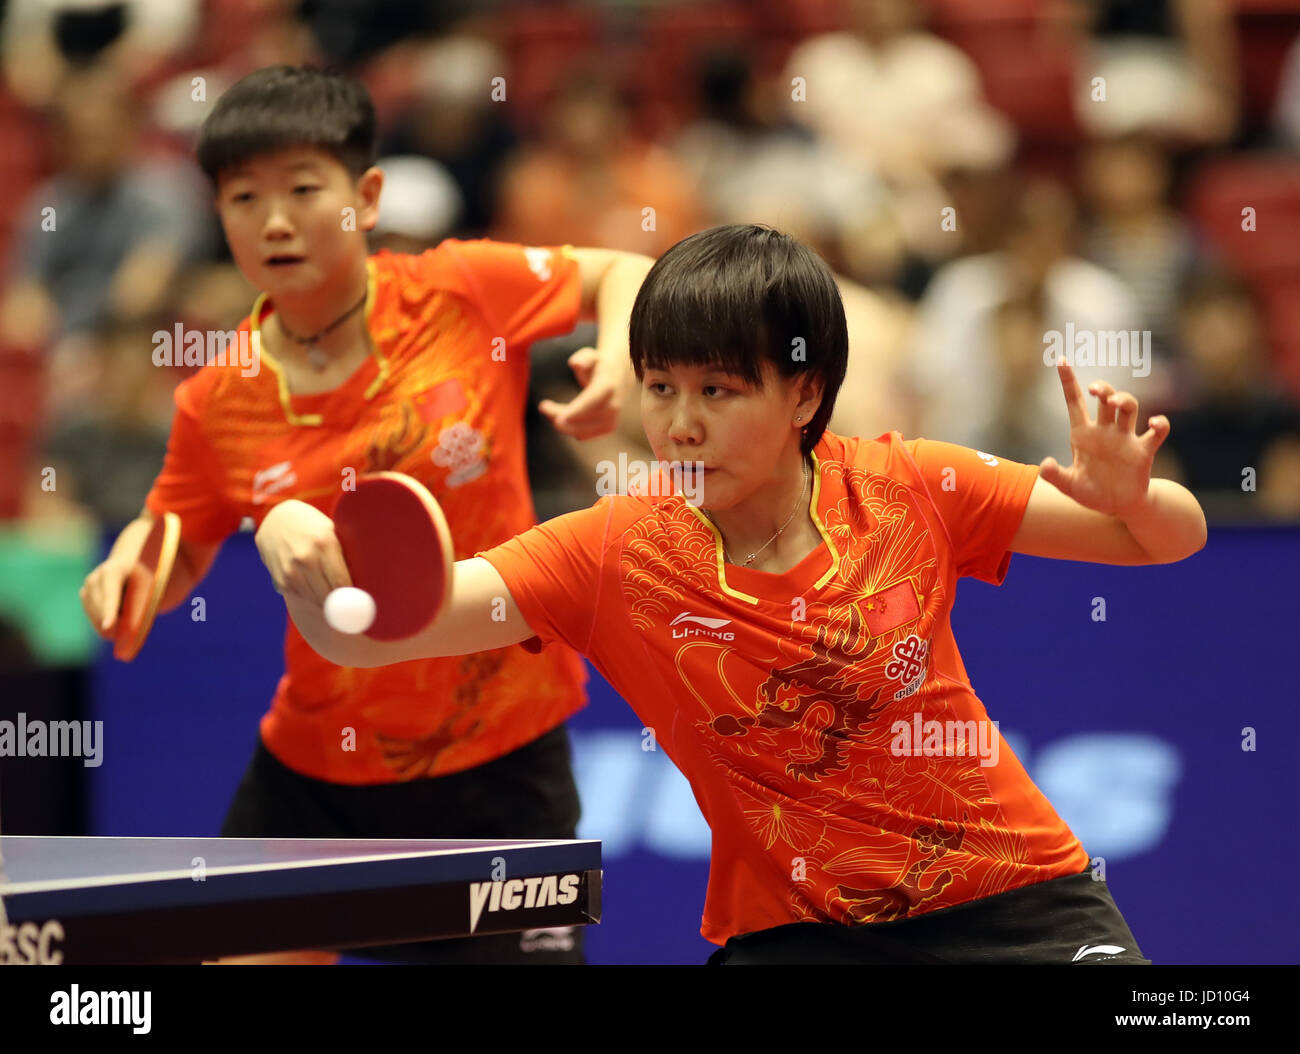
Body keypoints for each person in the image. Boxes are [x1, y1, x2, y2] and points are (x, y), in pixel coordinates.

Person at [260, 224, 1207, 965]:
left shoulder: (911, 484)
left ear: (804, 394)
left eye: (718, 391)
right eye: (662, 388)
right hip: (798, 935)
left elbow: (1164, 540)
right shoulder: (616, 551)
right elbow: (373, 635)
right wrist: (288, 534)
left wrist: (1139, 495)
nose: (678, 424)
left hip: (1016, 902)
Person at [77, 65, 654, 964]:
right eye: (243, 198)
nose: (274, 220)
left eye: (304, 189)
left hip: (500, 770)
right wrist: (131, 569)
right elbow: (176, 531)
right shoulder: (215, 399)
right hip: (314, 775)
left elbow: (627, 271)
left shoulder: (461, 291)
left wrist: (619, 361)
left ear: (366, 196)